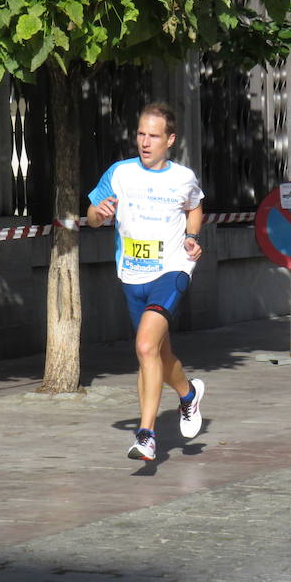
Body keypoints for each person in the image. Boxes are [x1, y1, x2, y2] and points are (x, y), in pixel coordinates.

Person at [86, 102, 206, 461]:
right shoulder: (120, 173)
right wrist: (99, 214)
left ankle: (147, 435)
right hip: (131, 274)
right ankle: (188, 395)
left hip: (172, 270)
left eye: (153, 136)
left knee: (143, 348)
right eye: (140, 133)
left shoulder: (182, 177)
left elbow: (195, 206)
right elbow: (92, 216)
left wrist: (193, 237)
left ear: (170, 139)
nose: (145, 141)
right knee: (158, 354)